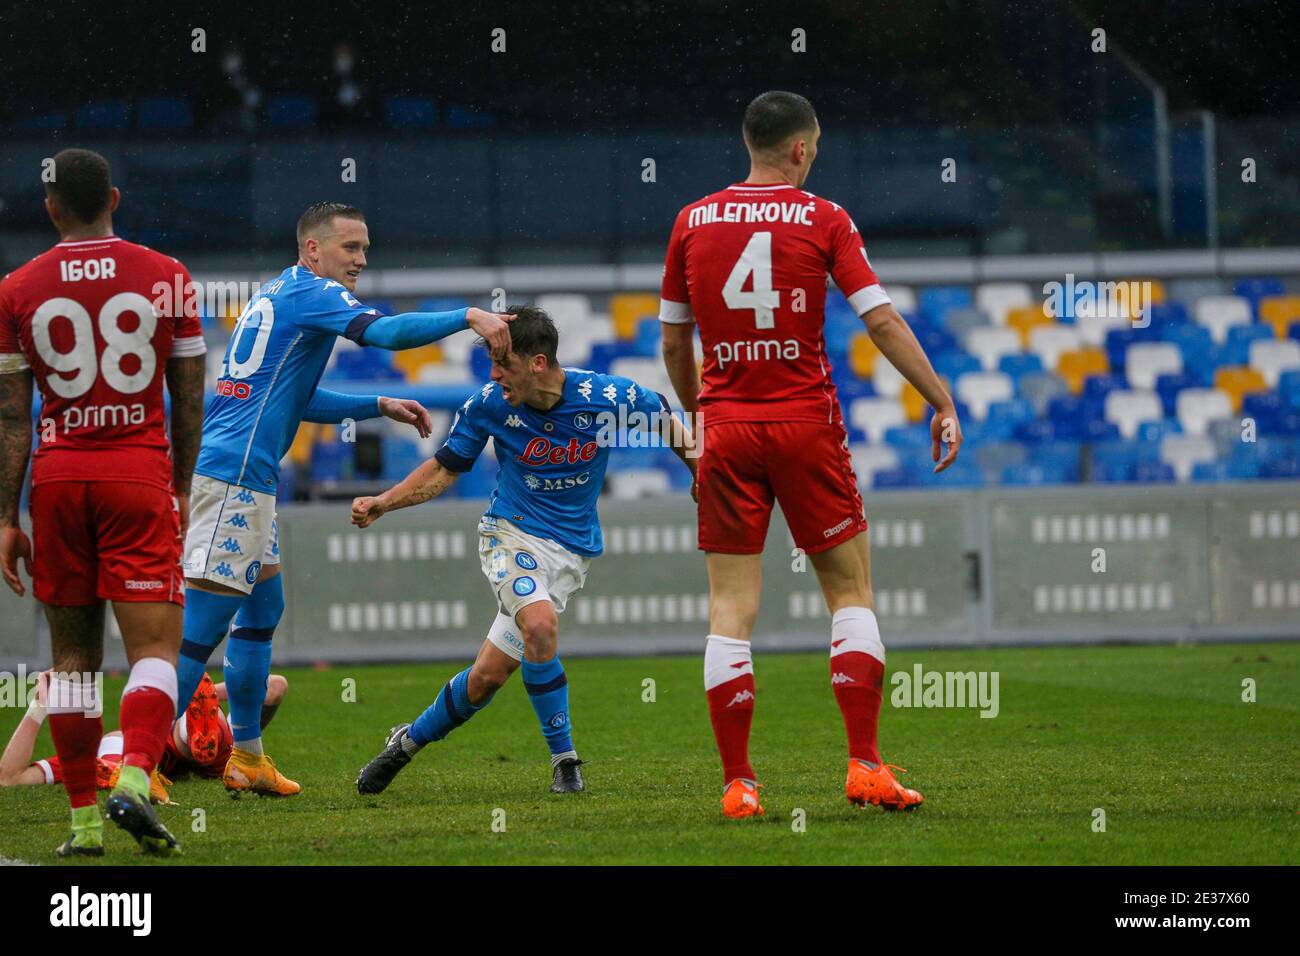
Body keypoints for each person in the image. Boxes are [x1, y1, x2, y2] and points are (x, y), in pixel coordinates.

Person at [657, 91, 963, 818]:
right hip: (804, 422)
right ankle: (864, 766)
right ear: (800, 148)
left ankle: (738, 785)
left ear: (749, 142)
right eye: (815, 146)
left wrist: (701, 422)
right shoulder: (824, 218)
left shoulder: (691, 220)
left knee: (730, 608)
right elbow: (881, 322)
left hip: (727, 428)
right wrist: (940, 399)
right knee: (850, 595)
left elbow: (673, 342)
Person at [176, 200, 514, 798]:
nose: (360, 259)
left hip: (244, 476)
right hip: (234, 478)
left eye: (364, 249)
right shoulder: (313, 293)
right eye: (350, 248)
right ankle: (135, 761)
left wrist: (374, 405)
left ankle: (247, 757)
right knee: (201, 631)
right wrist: (470, 316)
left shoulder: (280, 293)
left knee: (262, 611)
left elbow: (293, 399)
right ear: (313, 249)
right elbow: (382, 333)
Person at [352, 306, 695, 795]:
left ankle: (405, 743)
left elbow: (663, 414)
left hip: (571, 552)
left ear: (538, 362)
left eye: (503, 363)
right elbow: (445, 468)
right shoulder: (490, 404)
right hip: (509, 535)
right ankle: (565, 760)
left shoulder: (605, 396)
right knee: (539, 624)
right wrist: (384, 502)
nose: (494, 375)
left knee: (486, 679)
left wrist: (701, 470)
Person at [0, 148, 207, 855]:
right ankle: (136, 781)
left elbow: (11, 418)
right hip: (136, 474)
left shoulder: (16, 289)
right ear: (114, 199)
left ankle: (84, 822)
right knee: (154, 648)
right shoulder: (168, 277)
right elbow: (188, 396)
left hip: (56, 483)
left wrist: (5, 518)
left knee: (72, 662)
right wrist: (178, 485)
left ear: (51, 207)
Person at [1, 670, 290, 801]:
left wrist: (38, 709)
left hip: (164, 744)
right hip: (167, 741)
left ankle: (121, 772)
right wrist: (40, 705)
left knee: (206, 741)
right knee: (203, 739)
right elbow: (8, 777)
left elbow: (275, 687)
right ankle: (123, 770)